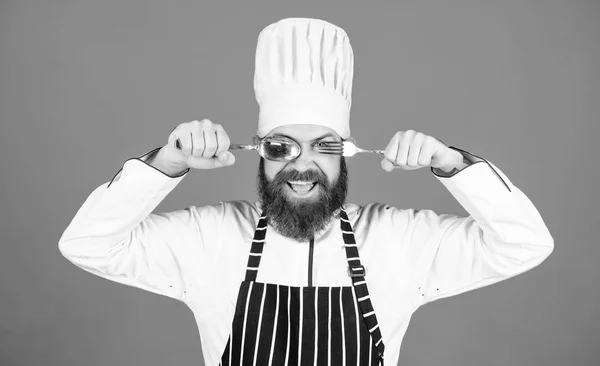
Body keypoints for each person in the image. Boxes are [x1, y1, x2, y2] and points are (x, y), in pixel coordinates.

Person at [59, 18, 554, 366]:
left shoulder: (401, 241)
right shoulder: (208, 238)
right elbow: (86, 244)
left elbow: (526, 244)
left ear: (345, 153)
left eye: (324, 145)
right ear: (260, 152)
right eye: (281, 146)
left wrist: (452, 165)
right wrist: (166, 163)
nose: (302, 164)